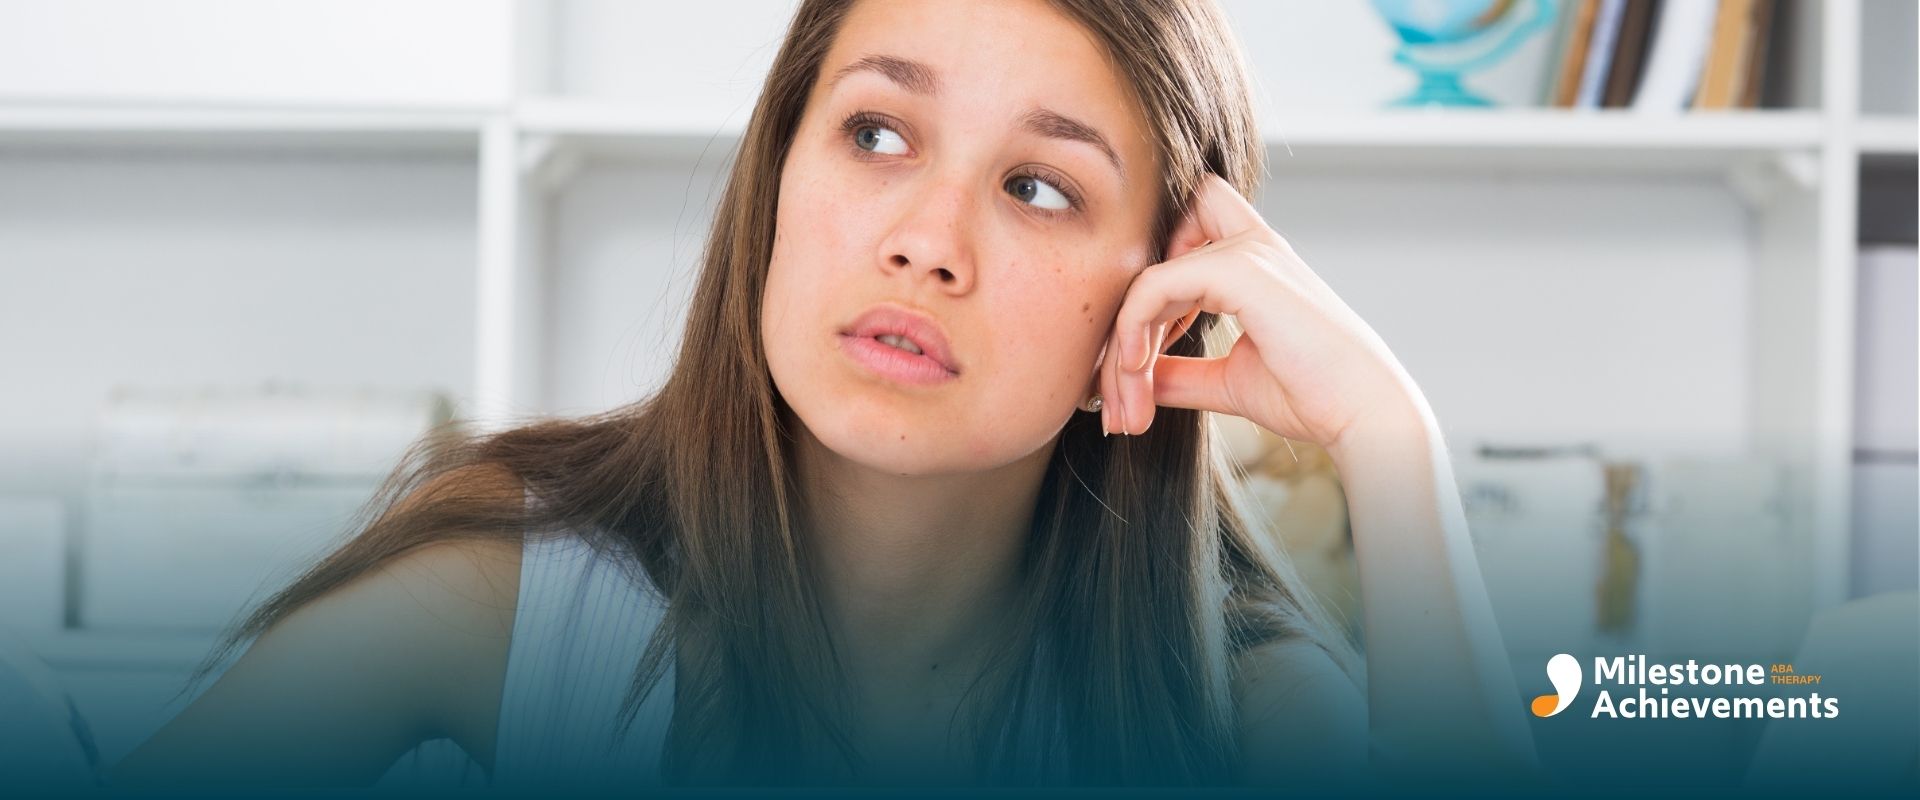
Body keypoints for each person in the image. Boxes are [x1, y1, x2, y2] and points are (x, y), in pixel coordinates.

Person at [108, 0, 1541, 790]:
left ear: (1159, 293)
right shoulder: (499, 604)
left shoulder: (1236, 702)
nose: (927, 238)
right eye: (875, 132)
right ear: (778, 177)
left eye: (1038, 186)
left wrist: (1390, 443)